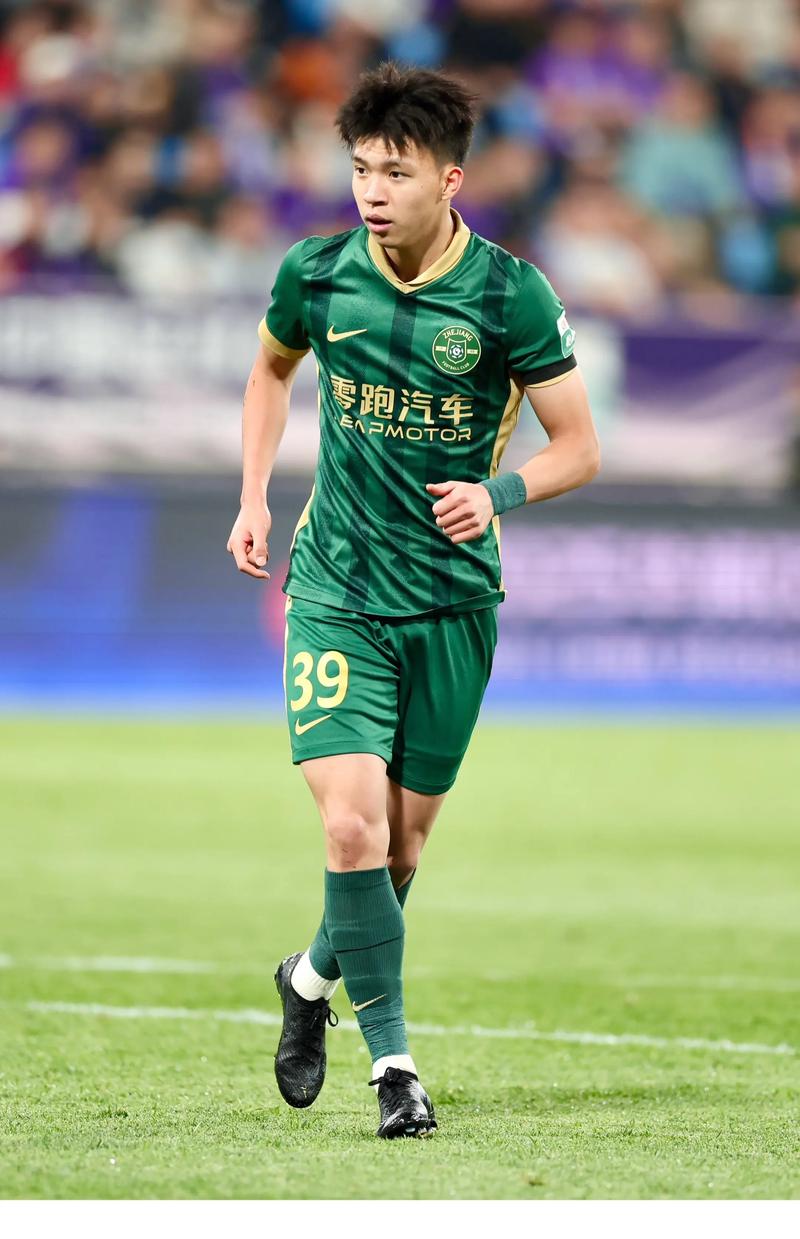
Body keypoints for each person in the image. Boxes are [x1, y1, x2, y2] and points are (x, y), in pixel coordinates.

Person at [226, 62, 600, 1139]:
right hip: (336, 587)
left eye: (395, 172)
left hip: (451, 603)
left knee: (397, 853)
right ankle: (394, 1067)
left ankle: (308, 978)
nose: (372, 191)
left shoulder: (509, 295)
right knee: (349, 827)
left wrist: (498, 492)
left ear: (449, 179)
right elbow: (270, 372)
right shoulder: (315, 273)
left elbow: (578, 445)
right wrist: (252, 495)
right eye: (360, 169)